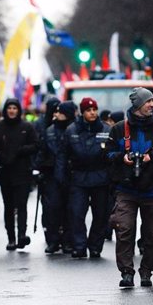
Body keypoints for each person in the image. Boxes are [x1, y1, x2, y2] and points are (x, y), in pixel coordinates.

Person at [105, 88, 153, 287]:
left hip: (152, 190)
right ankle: (126, 272)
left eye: (152, 101)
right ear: (137, 106)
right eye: (147, 102)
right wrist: (121, 157)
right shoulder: (119, 129)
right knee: (124, 230)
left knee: (152, 233)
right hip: (126, 190)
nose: (152, 105)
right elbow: (107, 155)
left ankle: (147, 271)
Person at [58, 97, 111, 258]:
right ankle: (79, 246)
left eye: (94, 109)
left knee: (101, 215)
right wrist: (61, 177)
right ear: (82, 112)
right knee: (76, 213)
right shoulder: (71, 130)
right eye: (88, 110)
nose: (92, 113)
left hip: (101, 178)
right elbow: (62, 155)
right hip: (78, 178)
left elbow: (112, 155)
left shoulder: (106, 130)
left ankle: (95, 246)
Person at [0, 98, 38, 250]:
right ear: (5, 110)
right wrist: (1, 156)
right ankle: (11, 238)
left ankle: (21, 236)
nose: (12, 110)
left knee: (22, 206)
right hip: (5, 173)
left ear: (19, 110)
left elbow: (35, 145)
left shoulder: (27, 126)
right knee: (8, 207)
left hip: (22, 172)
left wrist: (20, 151)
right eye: (9, 108)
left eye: (15, 108)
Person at [37, 101, 76, 253]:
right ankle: (52, 241)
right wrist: (39, 169)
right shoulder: (50, 131)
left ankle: (67, 240)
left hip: (71, 174)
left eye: (60, 112)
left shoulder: (74, 130)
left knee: (70, 210)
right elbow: (42, 151)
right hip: (51, 174)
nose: (56, 114)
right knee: (52, 209)